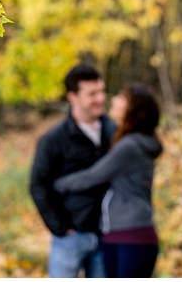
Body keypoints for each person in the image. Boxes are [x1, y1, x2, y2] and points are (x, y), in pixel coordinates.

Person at [54, 85, 163, 278]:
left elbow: (92, 177)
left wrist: (57, 184)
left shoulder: (130, 146)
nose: (113, 100)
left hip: (130, 237)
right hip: (122, 235)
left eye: (122, 98)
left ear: (134, 109)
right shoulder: (133, 142)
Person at [30, 63, 117, 278]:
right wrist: (60, 228)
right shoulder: (54, 139)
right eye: (92, 94)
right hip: (70, 238)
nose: (100, 99)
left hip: (107, 236)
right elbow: (38, 185)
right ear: (73, 97)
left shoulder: (114, 132)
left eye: (102, 91)